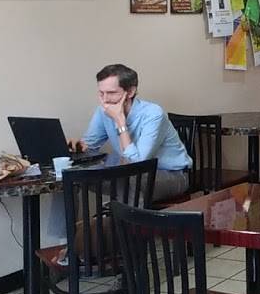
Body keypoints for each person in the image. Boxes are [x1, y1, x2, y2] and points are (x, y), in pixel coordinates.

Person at [69, 64, 192, 202]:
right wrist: (78, 146)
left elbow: (136, 164)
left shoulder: (153, 114)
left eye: (111, 93)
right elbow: (90, 145)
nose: (105, 100)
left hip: (173, 175)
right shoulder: (103, 111)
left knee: (128, 180)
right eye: (101, 93)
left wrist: (120, 121)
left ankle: (130, 217)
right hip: (131, 174)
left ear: (131, 92)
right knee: (76, 176)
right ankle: (111, 213)